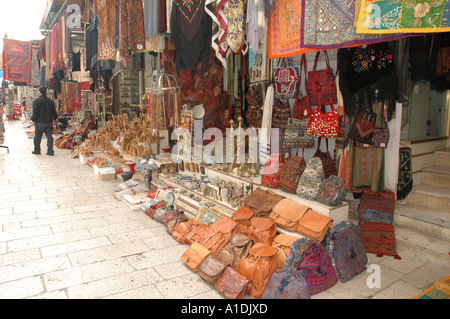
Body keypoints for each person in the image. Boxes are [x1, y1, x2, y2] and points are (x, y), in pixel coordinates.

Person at [31, 87, 58, 156]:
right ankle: (50, 151)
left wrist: (33, 120)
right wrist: (55, 119)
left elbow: (35, 112)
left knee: (37, 137)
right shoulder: (50, 101)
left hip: (40, 122)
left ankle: (37, 150)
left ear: (39, 92)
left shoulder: (37, 101)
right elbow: (54, 111)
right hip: (48, 122)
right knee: (49, 137)